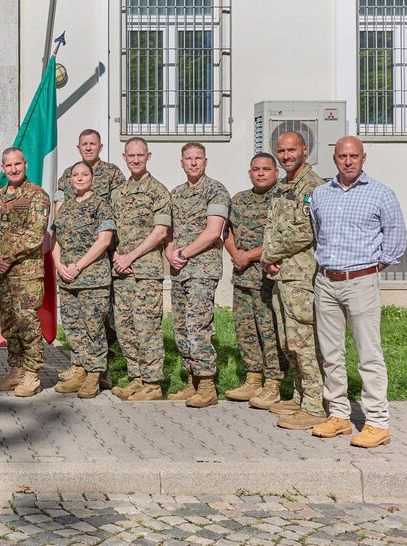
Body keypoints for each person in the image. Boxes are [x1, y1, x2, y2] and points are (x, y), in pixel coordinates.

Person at [309, 137, 406, 448]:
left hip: (361, 281)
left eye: (353, 156)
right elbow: (317, 233)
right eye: (342, 156)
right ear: (334, 158)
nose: (348, 161)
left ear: (364, 157)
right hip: (326, 281)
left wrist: (370, 269)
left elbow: (395, 240)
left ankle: (377, 421)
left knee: (369, 354)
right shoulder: (321, 194)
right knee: (330, 354)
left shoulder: (381, 194)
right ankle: (338, 415)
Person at [260, 131, 326, 430]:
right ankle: (300, 396)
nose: (286, 155)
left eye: (291, 150)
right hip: (280, 274)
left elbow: (306, 230)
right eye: (281, 151)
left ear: (305, 150)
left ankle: (315, 404)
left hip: (301, 277)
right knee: (288, 341)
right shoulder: (283, 186)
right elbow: (272, 226)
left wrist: (269, 253)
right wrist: (269, 259)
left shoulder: (312, 186)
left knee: (304, 341)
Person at [54, 129, 124, 386]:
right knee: (74, 326)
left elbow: (104, 238)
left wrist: (78, 265)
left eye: (92, 143)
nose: (79, 177)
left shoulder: (107, 189)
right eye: (76, 174)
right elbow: (57, 234)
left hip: (92, 272)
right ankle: (80, 368)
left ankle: (96, 374)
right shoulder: (68, 199)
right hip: (69, 274)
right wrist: (60, 265)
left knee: (95, 325)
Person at [165, 142, 229, 408]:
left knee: (198, 326)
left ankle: (207, 384)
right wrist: (170, 251)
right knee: (180, 327)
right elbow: (167, 230)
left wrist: (183, 253)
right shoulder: (176, 193)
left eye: (198, 158)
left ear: (205, 161)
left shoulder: (216, 190)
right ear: (181, 162)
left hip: (202, 269)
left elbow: (214, 231)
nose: (193, 163)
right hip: (179, 270)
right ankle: (191, 380)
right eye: (188, 159)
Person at [109, 137, 172, 402]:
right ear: (124, 158)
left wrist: (130, 256)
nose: (135, 160)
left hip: (145, 271)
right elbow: (110, 232)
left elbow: (160, 232)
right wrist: (115, 256)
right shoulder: (118, 194)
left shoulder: (158, 191)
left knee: (147, 328)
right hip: (122, 272)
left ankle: (153, 383)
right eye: (131, 156)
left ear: (148, 156)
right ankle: (137, 377)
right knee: (125, 327)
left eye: (140, 155)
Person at [0, 147, 50, 397]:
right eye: (8, 165)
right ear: (2, 168)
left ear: (26, 165)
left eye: (17, 165)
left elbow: (35, 235)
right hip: (2, 272)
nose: (13, 169)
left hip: (26, 272)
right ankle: (16, 369)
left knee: (27, 322)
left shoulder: (37, 196)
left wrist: (6, 257)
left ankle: (32, 373)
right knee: (9, 324)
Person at [222, 153, 286, 404]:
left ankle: (273, 381)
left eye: (266, 169)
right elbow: (226, 230)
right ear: (249, 173)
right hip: (242, 277)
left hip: (267, 278)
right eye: (256, 169)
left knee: (268, 330)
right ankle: (253, 378)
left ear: (276, 172)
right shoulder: (239, 199)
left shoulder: (282, 199)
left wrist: (248, 255)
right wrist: (236, 254)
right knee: (245, 329)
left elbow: (280, 237)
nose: (260, 173)